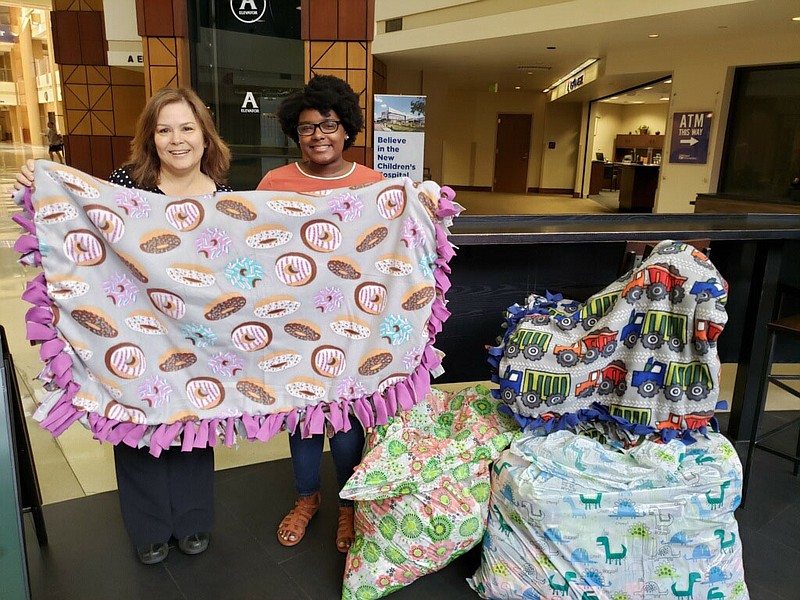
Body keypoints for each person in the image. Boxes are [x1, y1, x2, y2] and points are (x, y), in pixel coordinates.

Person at [15, 87, 232, 565]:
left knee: (193, 423)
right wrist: (41, 177)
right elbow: (76, 216)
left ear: (204, 136)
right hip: (133, 329)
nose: (177, 140)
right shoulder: (124, 186)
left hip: (198, 337)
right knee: (135, 420)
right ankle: (149, 529)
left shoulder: (227, 198)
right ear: (151, 139)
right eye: (164, 129)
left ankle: (194, 520)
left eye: (187, 128)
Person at [257, 75, 384, 552]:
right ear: (296, 132)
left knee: (349, 418)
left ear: (347, 128)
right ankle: (306, 499)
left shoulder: (373, 184)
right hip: (294, 322)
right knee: (303, 415)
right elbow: (256, 245)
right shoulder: (275, 183)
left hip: (353, 321)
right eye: (308, 127)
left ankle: (349, 505)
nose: (319, 135)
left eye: (329, 124)